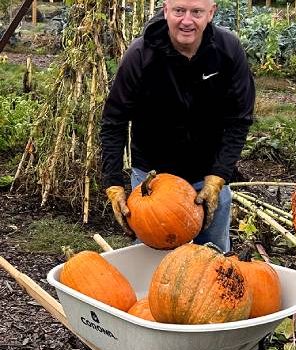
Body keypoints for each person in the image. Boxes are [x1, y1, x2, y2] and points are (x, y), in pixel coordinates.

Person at [100, 0, 256, 252]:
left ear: (211, 12)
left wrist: (219, 176)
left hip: (208, 176)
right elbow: (113, 122)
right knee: (154, 265)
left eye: (196, 12)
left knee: (214, 263)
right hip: (153, 182)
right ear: (165, 10)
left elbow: (240, 119)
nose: (186, 21)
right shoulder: (141, 55)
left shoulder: (228, 50)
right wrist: (114, 183)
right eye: (179, 11)